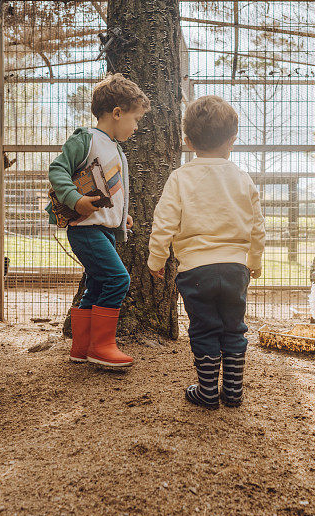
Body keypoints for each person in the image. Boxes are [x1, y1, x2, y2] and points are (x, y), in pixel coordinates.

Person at [147, 95, 266, 408]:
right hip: (235, 269)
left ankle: (207, 391)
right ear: (232, 141)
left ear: (187, 141)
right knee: (234, 326)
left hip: (195, 270)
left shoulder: (180, 177)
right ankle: (234, 391)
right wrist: (254, 261)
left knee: (204, 328)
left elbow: (163, 223)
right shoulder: (243, 179)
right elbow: (257, 227)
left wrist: (156, 259)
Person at [46, 73, 149, 367]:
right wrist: (75, 200)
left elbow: (110, 190)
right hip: (85, 230)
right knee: (118, 279)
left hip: (103, 230)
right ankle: (102, 346)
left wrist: (120, 217)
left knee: (95, 285)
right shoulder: (87, 139)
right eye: (135, 118)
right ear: (117, 113)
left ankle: (81, 347)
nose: (136, 126)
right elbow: (57, 171)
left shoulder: (114, 147)